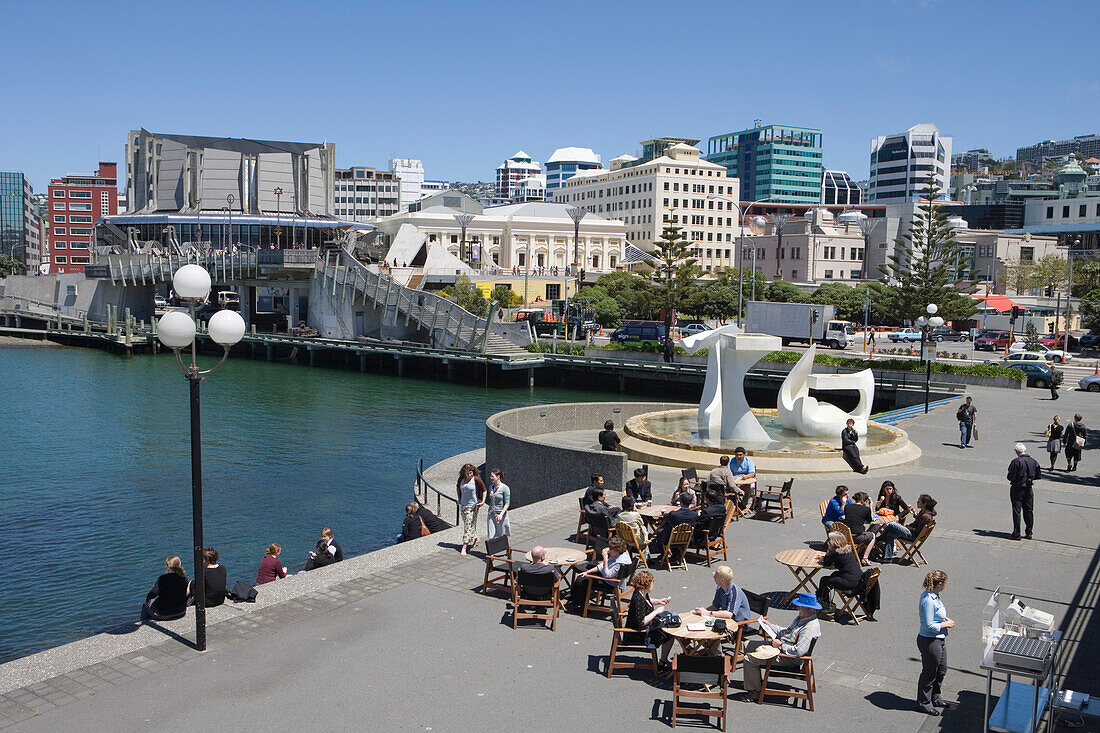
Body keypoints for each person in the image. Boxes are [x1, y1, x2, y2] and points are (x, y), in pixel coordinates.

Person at [740, 593, 822, 700]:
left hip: (789, 657)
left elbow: (798, 651)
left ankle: (755, 692)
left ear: (809, 609)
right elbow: (786, 632)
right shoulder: (801, 618)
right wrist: (771, 626)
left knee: (749, 659)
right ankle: (752, 681)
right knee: (747, 645)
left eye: (800, 606)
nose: (797, 608)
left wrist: (781, 645)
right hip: (781, 647)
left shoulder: (809, 628)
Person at [916, 570, 955, 716]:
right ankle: (924, 703)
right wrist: (947, 624)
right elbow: (929, 625)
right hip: (930, 640)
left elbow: (936, 616)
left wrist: (944, 620)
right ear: (939, 583)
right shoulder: (928, 600)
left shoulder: (935, 596)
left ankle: (935, 697)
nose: (945, 586)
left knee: (941, 669)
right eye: (944, 583)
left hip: (939, 639)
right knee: (929, 673)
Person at [625, 570, 676, 671]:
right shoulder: (638, 599)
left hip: (644, 628)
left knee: (669, 624)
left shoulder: (641, 593)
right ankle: (663, 661)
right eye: (652, 582)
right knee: (668, 633)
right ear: (646, 584)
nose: (653, 584)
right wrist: (656, 612)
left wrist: (659, 601)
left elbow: (647, 601)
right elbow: (641, 622)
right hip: (637, 633)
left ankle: (663, 660)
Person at [568, 536, 631, 609]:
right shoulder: (624, 553)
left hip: (610, 583)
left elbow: (607, 574)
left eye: (611, 549)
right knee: (583, 575)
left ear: (616, 551)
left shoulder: (618, 564)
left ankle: (581, 606)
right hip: (612, 576)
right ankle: (574, 596)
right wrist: (587, 572)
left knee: (582, 580)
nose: (609, 551)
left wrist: (605, 558)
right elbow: (601, 566)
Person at [878, 494, 937, 562]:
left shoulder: (926, 516)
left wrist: (906, 526)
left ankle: (880, 538)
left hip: (913, 535)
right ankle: (887, 557)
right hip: (912, 532)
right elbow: (919, 521)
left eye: (919, 501)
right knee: (890, 534)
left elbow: (917, 530)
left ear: (925, 503)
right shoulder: (924, 512)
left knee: (892, 524)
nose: (917, 502)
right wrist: (914, 514)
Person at [817, 532, 863, 617]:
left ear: (835, 542)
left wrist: (828, 551)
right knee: (834, 575)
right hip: (859, 579)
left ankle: (823, 603)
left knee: (824, 580)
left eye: (830, 541)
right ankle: (824, 599)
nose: (828, 542)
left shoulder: (836, 553)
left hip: (849, 582)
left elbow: (826, 563)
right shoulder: (847, 549)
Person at [1007, 442, 1041, 541]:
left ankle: (1017, 533)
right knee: (1029, 511)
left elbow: (1010, 476)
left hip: (1017, 488)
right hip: (1029, 488)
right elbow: (1038, 475)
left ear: (1017, 451)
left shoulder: (1016, 461)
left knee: (1017, 511)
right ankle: (1029, 532)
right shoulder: (1033, 461)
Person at [142, 556, 188, 621]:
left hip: (165, 614)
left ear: (168, 566)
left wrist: (147, 600)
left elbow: (153, 593)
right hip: (181, 612)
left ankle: (144, 623)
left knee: (145, 606)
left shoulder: (162, 578)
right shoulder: (184, 578)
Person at [457, 463, 486, 556]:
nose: (469, 475)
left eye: (471, 473)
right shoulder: (461, 479)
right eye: (467, 473)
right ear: (464, 473)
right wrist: (459, 498)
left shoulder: (476, 480)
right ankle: (476, 537)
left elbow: (484, 490)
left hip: (473, 506)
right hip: (463, 505)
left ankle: (464, 546)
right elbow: (458, 487)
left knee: (467, 525)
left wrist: (483, 501)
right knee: (469, 523)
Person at [842, 492, 876, 564]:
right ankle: (865, 557)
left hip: (846, 536)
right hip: (856, 538)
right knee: (873, 536)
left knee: (862, 528)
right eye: (866, 501)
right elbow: (870, 519)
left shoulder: (848, 507)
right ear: (863, 501)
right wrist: (870, 506)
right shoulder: (866, 509)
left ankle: (859, 550)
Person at [485, 468, 511, 540]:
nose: (491, 478)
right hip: (491, 513)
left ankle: (506, 547)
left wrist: (501, 514)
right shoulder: (491, 487)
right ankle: (492, 549)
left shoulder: (505, 488)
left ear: (498, 476)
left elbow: (507, 503)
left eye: (492, 476)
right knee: (491, 533)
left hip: (500, 514)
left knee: (502, 533)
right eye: (490, 476)